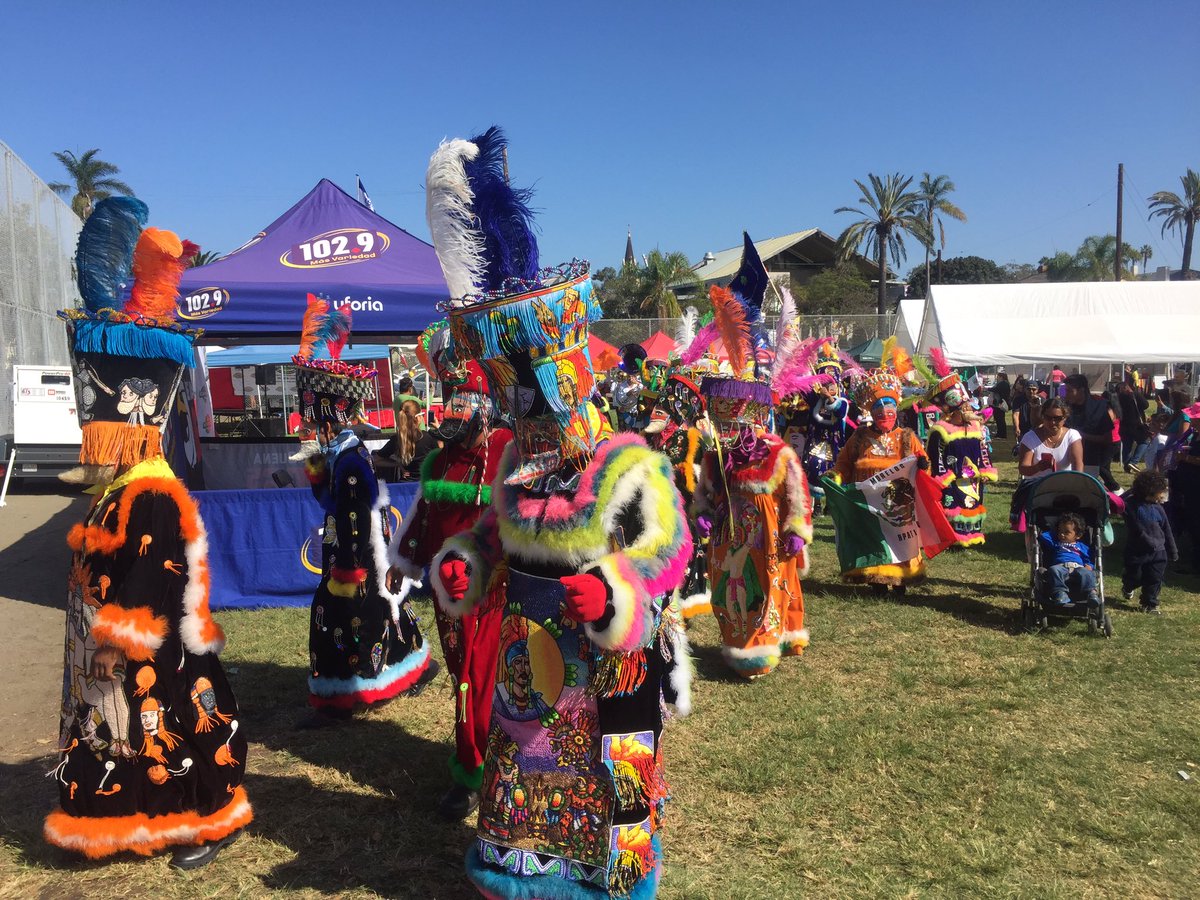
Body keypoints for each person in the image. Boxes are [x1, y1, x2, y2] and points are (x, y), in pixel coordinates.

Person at [424, 127, 692, 899]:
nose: (522, 408)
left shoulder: (627, 463)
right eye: (509, 392)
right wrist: (464, 563)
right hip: (528, 665)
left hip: (609, 666)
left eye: (532, 389)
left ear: (570, 378)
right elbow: (488, 535)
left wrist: (615, 593)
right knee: (526, 765)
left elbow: (669, 554)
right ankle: (522, 873)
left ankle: (608, 876)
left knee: (607, 788)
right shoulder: (514, 465)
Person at [46, 198, 251, 867]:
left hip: (158, 658)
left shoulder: (154, 491)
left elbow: (147, 582)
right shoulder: (122, 487)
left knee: (178, 732)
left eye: (100, 434)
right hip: (122, 657)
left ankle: (208, 824)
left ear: (126, 429)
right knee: (124, 738)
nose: (91, 446)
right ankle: (121, 820)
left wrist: (110, 642)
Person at [388, 326, 513, 820]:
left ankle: (499, 767)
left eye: (466, 407)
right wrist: (406, 565)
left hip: (499, 593)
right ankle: (468, 768)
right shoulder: (439, 460)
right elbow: (423, 519)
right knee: (463, 678)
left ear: (485, 409)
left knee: (494, 680)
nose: (458, 415)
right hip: (449, 596)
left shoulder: (509, 449)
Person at [293, 295, 435, 723]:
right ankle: (409, 663)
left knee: (342, 614)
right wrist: (317, 470)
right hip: (355, 551)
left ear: (331, 415)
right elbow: (333, 506)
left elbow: (354, 515)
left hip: (356, 555)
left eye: (314, 417)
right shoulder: (341, 455)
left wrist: (348, 569)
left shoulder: (352, 459)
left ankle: (339, 696)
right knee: (382, 605)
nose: (309, 424)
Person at [691, 236, 813, 678]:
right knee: (729, 587)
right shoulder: (717, 450)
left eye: (741, 420)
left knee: (765, 584)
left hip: (766, 529)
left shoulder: (778, 451)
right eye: (729, 421)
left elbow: (797, 495)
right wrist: (702, 512)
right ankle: (736, 641)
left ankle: (761, 647)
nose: (735, 428)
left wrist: (796, 530)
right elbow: (705, 487)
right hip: (728, 530)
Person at [826, 371, 949, 593]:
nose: (885, 410)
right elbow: (844, 464)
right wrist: (836, 478)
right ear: (871, 411)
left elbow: (924, 463)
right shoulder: (859, 437)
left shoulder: (906, 436)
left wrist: (923, 466)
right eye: (879, 406)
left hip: (898, 503)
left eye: (890, 404)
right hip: (869, 504)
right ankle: (877, 580)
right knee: (873, 538)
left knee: (900, 537)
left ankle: (902, 578)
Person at [645, 372, 714, 620]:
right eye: (655, 407)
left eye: (662, 409)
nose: (654, 412)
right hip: (650, 509)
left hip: (680, 509)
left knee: (679, 555)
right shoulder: (647, 437)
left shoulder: (690, 439)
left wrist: (682, 475)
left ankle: (678, 603)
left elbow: (702, 475)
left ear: (676, 414)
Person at [924, 355, 997, 547]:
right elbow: (936, 456)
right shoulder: (940, 429)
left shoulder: (975, 426)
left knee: (972, 502)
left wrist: (987, 469)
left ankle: (972, 535)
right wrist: (944, 476)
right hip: (953, 478)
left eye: (968, 405)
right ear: (953, 411)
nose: (969, 408)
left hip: (973, 478)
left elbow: (983, 450)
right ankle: (952, 537)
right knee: (953, 504)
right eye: (964, 406)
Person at [802, 341, 852, 515]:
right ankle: (815, 505)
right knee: (813, 468)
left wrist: (829, 399)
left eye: (832, 385)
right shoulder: (814, 399)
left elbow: (839, 411)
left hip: (835, 443)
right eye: (826, 384)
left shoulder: (843, 401)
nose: (829, 388)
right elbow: (801, 388)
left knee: (833, 472)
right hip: (815, 441)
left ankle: (831, 504)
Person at [1121, 470, 1177, 614]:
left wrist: (1172, 550)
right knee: (1135, 576)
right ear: (1149, 491)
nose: (1162, 496)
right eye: (1160, 492)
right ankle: (1128, 585)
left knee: (1154, 578)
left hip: (1158, 552)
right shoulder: (1131, 505)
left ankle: (1150, 603)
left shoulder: (1159, 509)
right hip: (1137, 551)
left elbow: (1166, 529)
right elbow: (1119, 503)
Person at [1064, 374, 1120, 492]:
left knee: (1085, 492)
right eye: (1066, 390)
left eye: (1070, 391)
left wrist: (1079, 435)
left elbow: (1107, 438)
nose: (1067, 394)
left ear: (1081, 390)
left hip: (1091, 459)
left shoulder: (1099, 407)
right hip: (1066, 460)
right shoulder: (1065, 408)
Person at [1039, 512, 1099, 608]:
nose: (1062, 534)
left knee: (1087, 573)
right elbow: (1043, 536)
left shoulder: (1082, 547)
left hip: (1078, 567)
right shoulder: (1056, 543)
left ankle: (1091, 593)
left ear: (1078, 535)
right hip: (1061, 566)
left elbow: (1089, 559)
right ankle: (1060, 593)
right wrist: (1055, 531)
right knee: (1053, 570)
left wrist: (1089, 566)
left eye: (1066, 532)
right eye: (1060, 531)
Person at [1018, 398, 1083, 476]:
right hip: (1036, 486)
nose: (1053, 422)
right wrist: (1038, 467)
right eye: (1048, 418)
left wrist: (1076, 484)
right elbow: (1023, 469)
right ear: (1042, 416)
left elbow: (1078, 466)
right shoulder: (1030, 438)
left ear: (1065, 418)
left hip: (1064, 486)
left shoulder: (1072, 436)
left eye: (1058, 418)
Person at [990, 371, 1011, 439]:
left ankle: (1001, 434)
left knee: (1000, 419)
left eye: (998, 377)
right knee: (999, 419)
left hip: (1000, 403)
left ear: (1001, 377)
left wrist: (988, 389)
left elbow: (996, 389)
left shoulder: (1003, 383)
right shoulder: (1004, 383)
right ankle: (999, 433)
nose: (997, 378)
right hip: (999, 403)